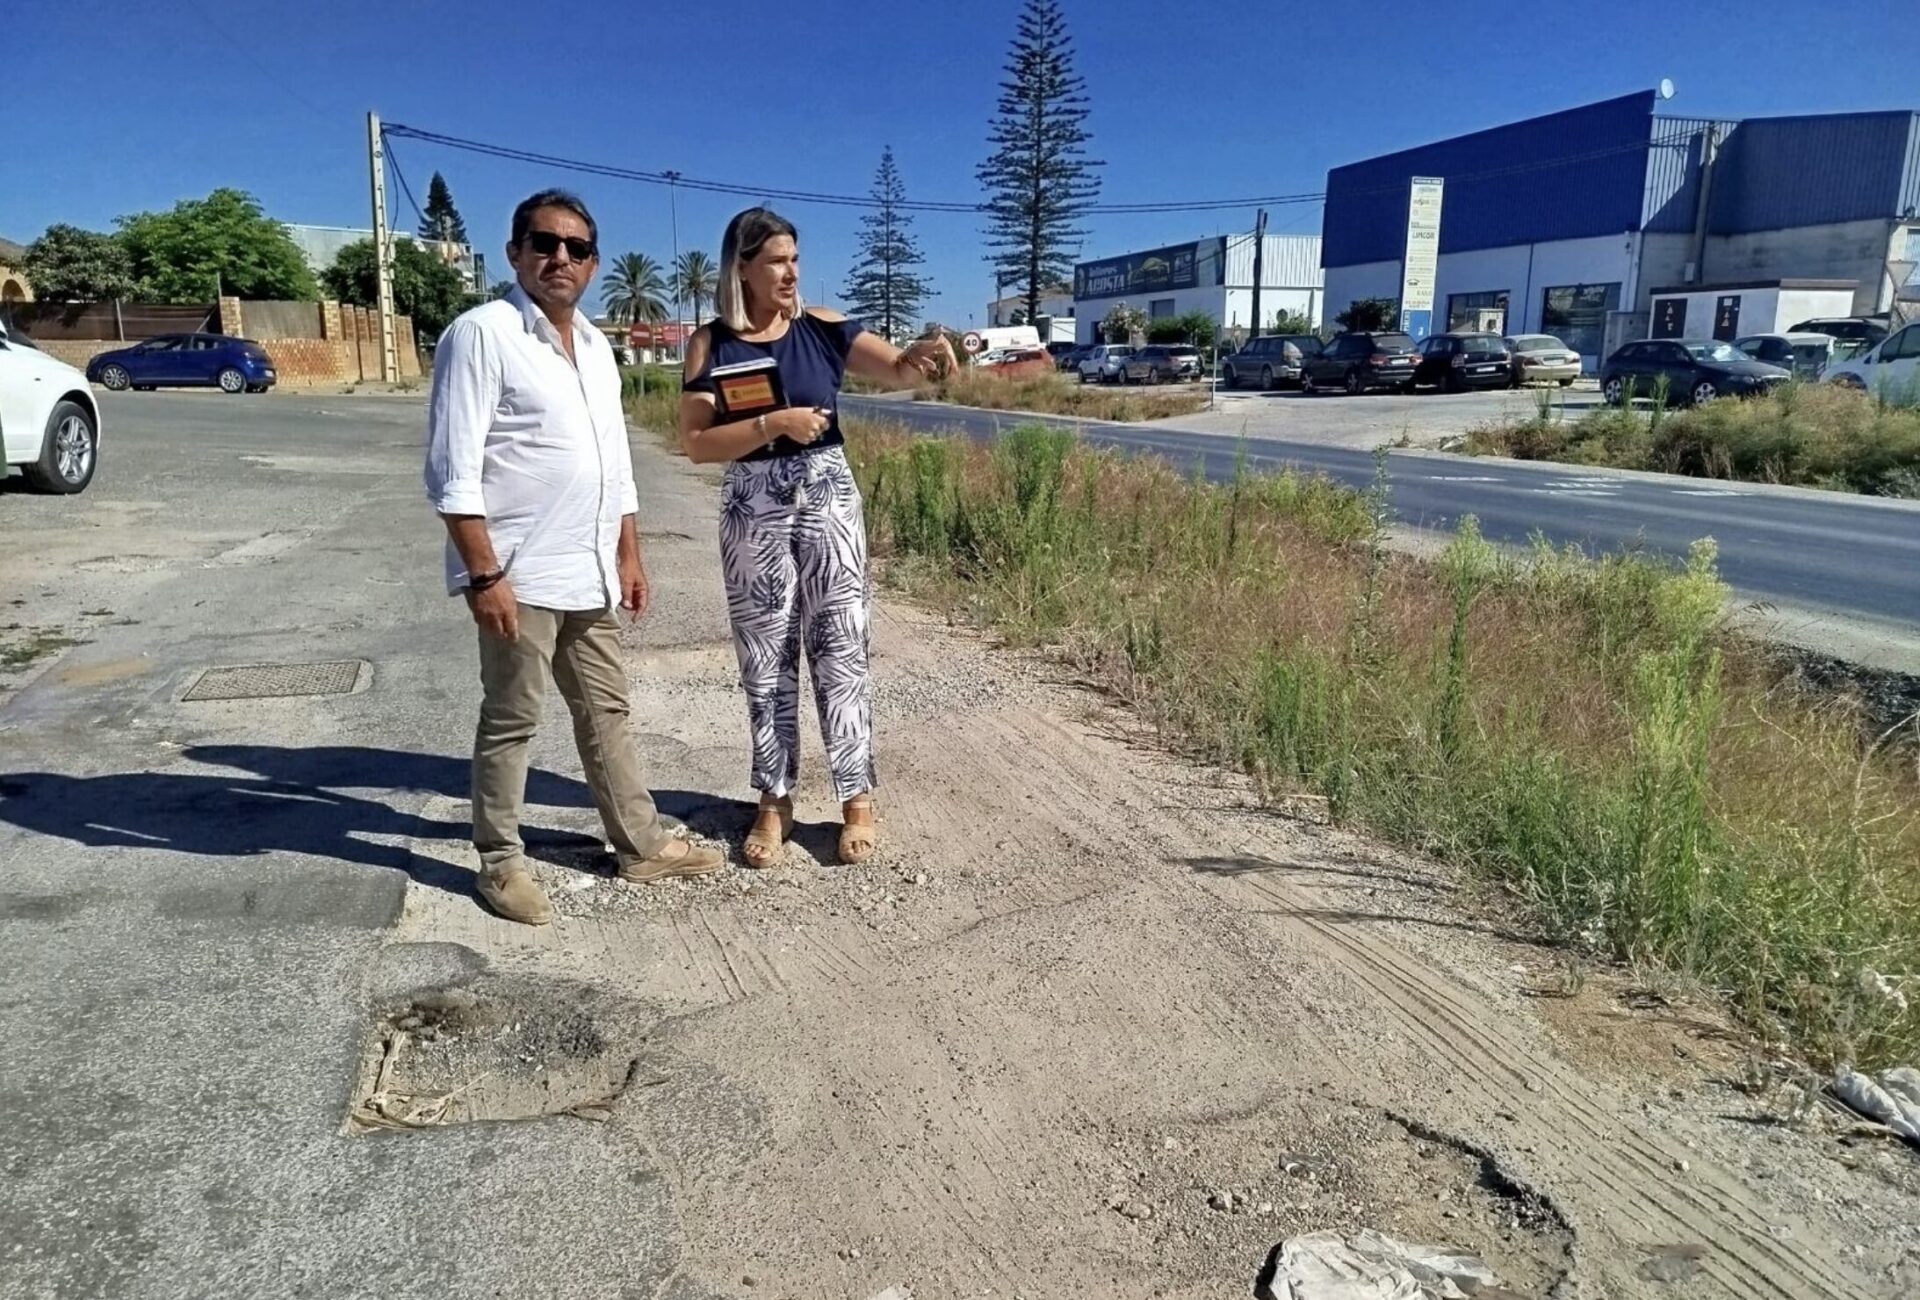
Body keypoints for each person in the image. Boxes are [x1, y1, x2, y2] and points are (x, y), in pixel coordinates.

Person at [425, 188, 724, 926]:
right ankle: (500, 863)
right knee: (512, 719)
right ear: (515, 252)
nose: (561, 257)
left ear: (592, 263)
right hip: (518, 575)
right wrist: (484, 575)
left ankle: (640, 844)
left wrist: (630, 555)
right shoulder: (481, 335)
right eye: (545, 243)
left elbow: (615, 465)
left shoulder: (594, 346)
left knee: (606, 712)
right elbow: (452, 472)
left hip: (587, 570)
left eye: (577, 248)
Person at [678, 207, 955, 868]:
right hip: (753, 504)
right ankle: (774, 800)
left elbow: (898, 369)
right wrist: (772, 424)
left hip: (827, 496)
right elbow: (696, 442)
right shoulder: (710, 343)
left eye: (795, 259)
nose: (790, 272)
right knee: (765, 656)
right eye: (776, 260)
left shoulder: (822, 327)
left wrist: (923, 357)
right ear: (742, 267)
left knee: (842, 648)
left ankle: (856, 799)